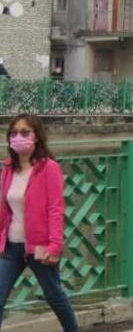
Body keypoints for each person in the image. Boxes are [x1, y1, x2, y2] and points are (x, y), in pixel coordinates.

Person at [0, 114, 79, 332]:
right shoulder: (8, 168)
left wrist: (54, 246)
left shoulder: (48, 168)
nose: (18, 137)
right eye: (14, 133)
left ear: (36, 137)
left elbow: (56, 209)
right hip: (11, 246)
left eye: (25, 132)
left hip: (40, 246)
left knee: (54, 295)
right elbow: (5, 209)